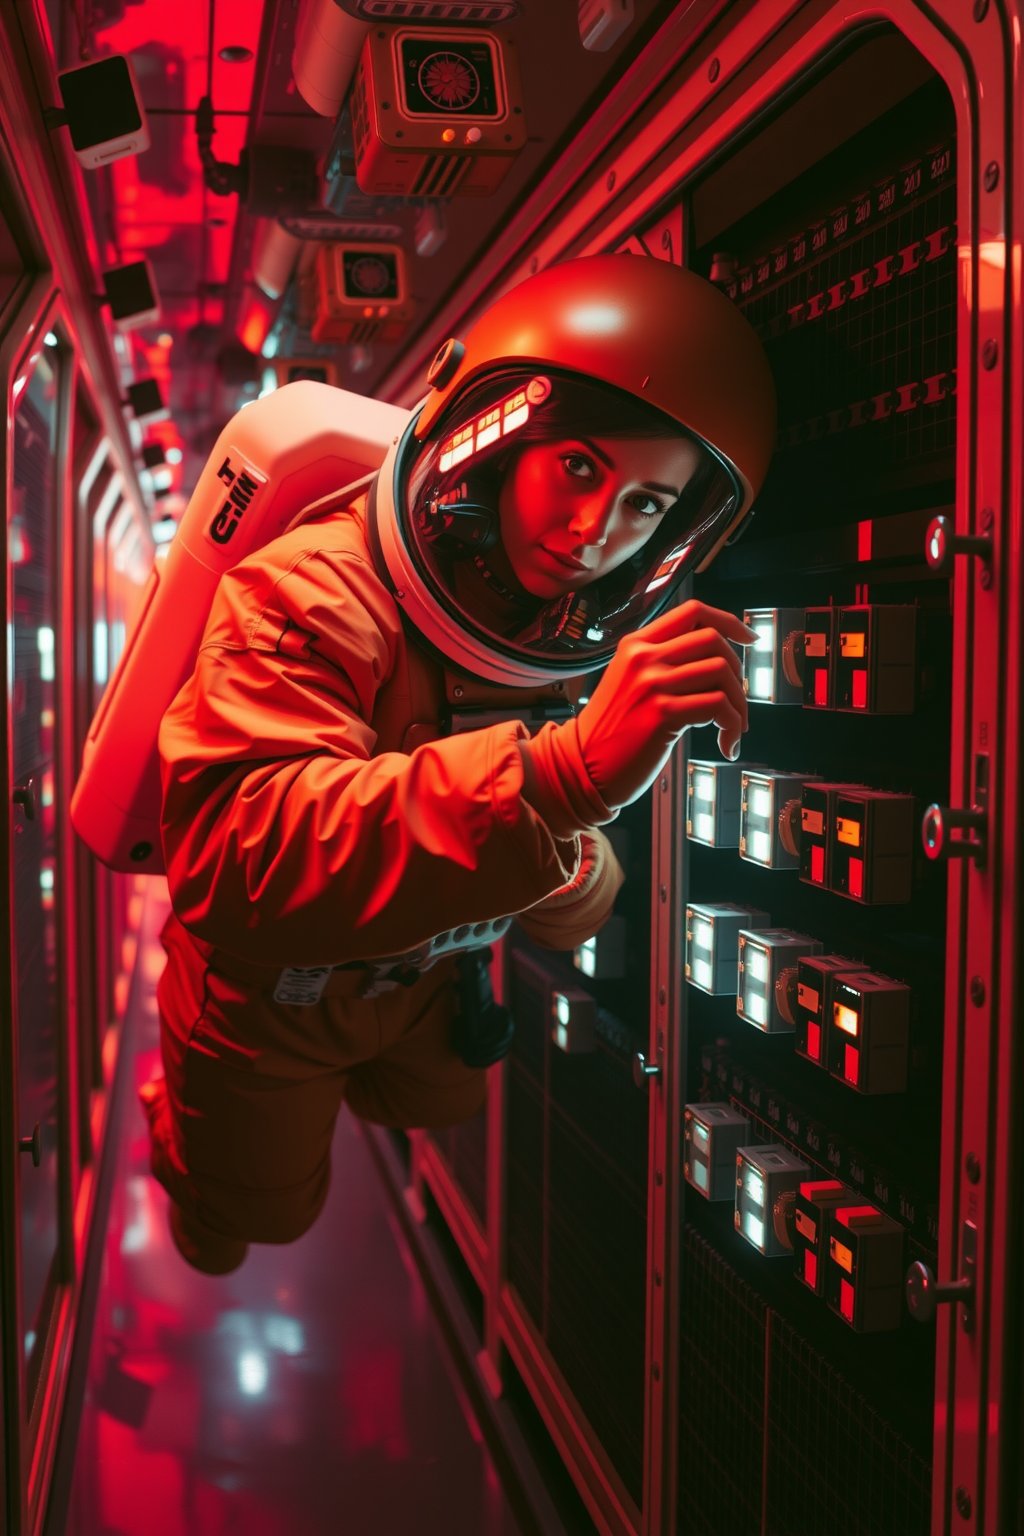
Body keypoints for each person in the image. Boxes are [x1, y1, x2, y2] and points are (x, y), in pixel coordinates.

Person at [139, 253, 777, 1274]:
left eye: (646, 508)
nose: (592, 534)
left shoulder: (556, 632)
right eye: (577, 465)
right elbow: (231, 855)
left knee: (431, 1102)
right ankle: (174, 1122)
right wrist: (559, 782)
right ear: (490, 437)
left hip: (420, 977)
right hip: (270, 993)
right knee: (243, 1223)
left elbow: (574, 904)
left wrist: (563, 802)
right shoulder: (314, 587)